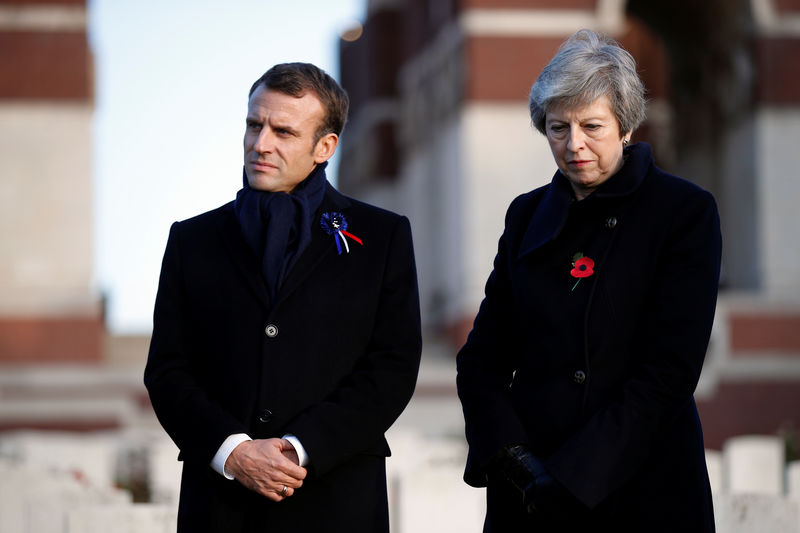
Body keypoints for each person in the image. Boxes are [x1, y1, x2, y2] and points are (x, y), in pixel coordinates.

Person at [456, 29, 721, 531]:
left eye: (591, 126)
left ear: (625, 126)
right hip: (530, 492)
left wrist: (576, 474)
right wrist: (517, 460)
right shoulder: (526, 215)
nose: (574, 144)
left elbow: (670, 370)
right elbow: (481, 360)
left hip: (645, 488)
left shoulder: (683, 212)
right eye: (559, 128)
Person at [144, 62, 421, 532]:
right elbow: (168, 370)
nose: (260, 144)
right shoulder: (192, 240)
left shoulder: (382, 236)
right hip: (220, 506)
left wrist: (299, 447)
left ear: (324, 147)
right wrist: (234, 452)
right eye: (255, 125)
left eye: (283, 131)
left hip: (337, 501)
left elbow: (392, 367)